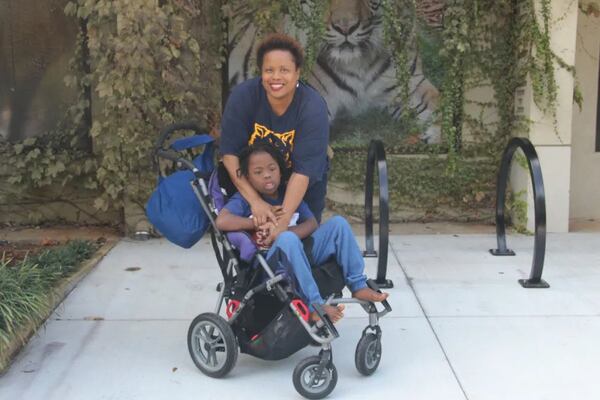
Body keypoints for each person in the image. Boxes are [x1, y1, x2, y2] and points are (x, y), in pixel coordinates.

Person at [215, 143, 388, 323]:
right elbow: (222, 221)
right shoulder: (245, 201)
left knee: (339, 224)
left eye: (272, 169)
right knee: (287, 240)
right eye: (258, 172)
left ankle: (357, 283)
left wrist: (286, 231)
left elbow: (312, 223)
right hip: (270, 263)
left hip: (301, 249)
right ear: (248, 179)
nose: (267, 174)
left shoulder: (288, 195)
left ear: (280, 171)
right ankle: (314, 304)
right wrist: (255, 223)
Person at [219, 33, 330, 246]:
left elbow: (303, 172)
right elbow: (230, 154)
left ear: (297, 73)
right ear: (261, 72)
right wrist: (256, 202)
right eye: (269, 70)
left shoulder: (312, 107)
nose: (276, 77)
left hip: (301, 186)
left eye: (284, 70)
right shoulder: (243, 97)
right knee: (255, 248)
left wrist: (283, 222)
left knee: (301, 243)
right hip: (254, 184)